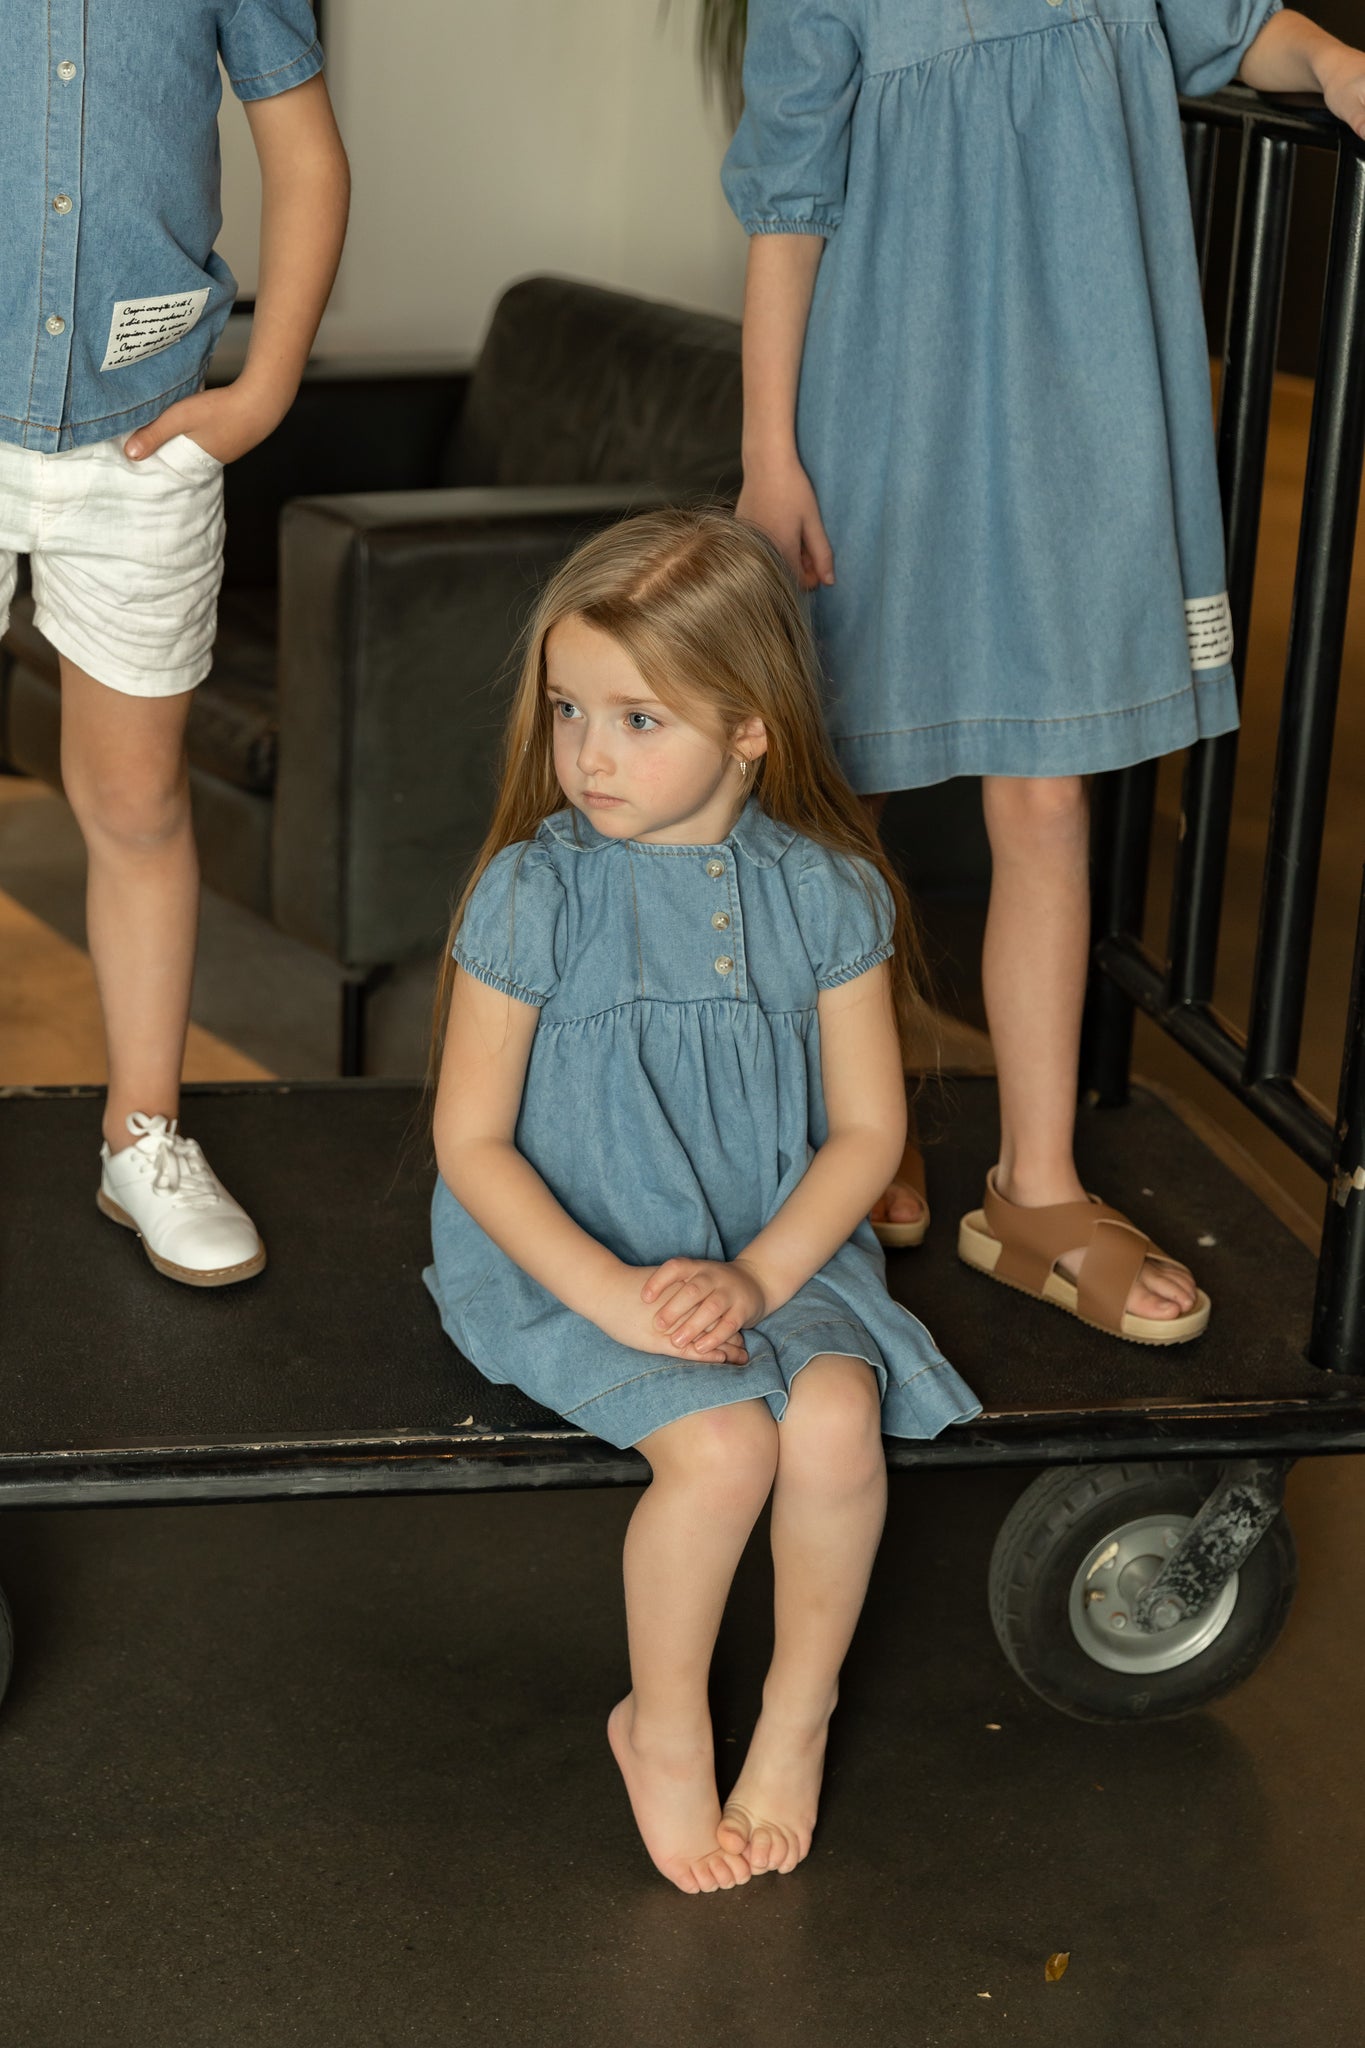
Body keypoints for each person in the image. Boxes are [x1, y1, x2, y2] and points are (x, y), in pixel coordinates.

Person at [721, 1, 1365, 1344]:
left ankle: (1037, 1186)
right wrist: (770, 455)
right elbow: (787, 202)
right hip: (878, 414)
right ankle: (855, 1122)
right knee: (846, 794)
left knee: (1049, 797)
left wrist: (1334, 63)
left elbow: (1237, 26)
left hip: (1081, 423)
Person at [427, 509, 980, 1893]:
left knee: (837, 1419)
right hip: (574, 1245)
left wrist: (758, 1278)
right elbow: (471, 1141)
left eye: (638, 718)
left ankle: (797, 1713)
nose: (589, 755)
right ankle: (662, 1724)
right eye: (569, 709)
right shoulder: (534, 892)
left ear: (749, 728)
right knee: (726, 1448)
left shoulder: (826, 896)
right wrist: (617, 1295)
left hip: (771, 1237)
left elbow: (867, 1130)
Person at [0, 3, 349, 1286]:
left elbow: (305, 154)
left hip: (143, 441)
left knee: (138, 798)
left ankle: (140, 1136)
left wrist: (266, 388)